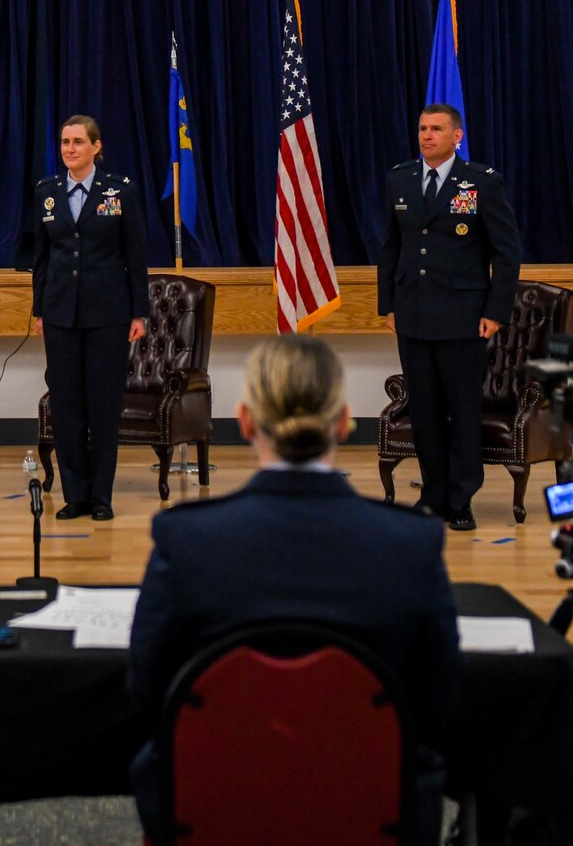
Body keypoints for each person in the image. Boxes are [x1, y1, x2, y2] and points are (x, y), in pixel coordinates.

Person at [127, 335, 459, 846]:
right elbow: (437, 709)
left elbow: (147, 697)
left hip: (214, 816)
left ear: (244, 422)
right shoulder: (410, 544)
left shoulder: (187, 540)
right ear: (346, 422)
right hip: (373, 820)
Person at [376, 103, 521, 530]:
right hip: (414, 314)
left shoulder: (481, 182)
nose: (427, 136)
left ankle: (461, 498)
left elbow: (506, 253)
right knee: (424, 410)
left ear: (457, 136)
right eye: (422, 128)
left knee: (461, 409)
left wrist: (496, 311)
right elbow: (391, 247)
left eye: (436, 129)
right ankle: (433, 493)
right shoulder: (400, 178)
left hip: (463, 315)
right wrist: (389, 305)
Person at [29, 115, 150, 520]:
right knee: (66, 407)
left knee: (102, 406)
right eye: (65, 142)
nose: (69, 149)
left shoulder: (121, 191)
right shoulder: (47, 193)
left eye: (78, 142)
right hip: (61, 313)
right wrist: (39, 309)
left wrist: (139, 311)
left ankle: (101, 496)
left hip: (108, 314)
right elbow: (41, 259)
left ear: (97, 147)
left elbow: (135, 256)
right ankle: (75, 495)